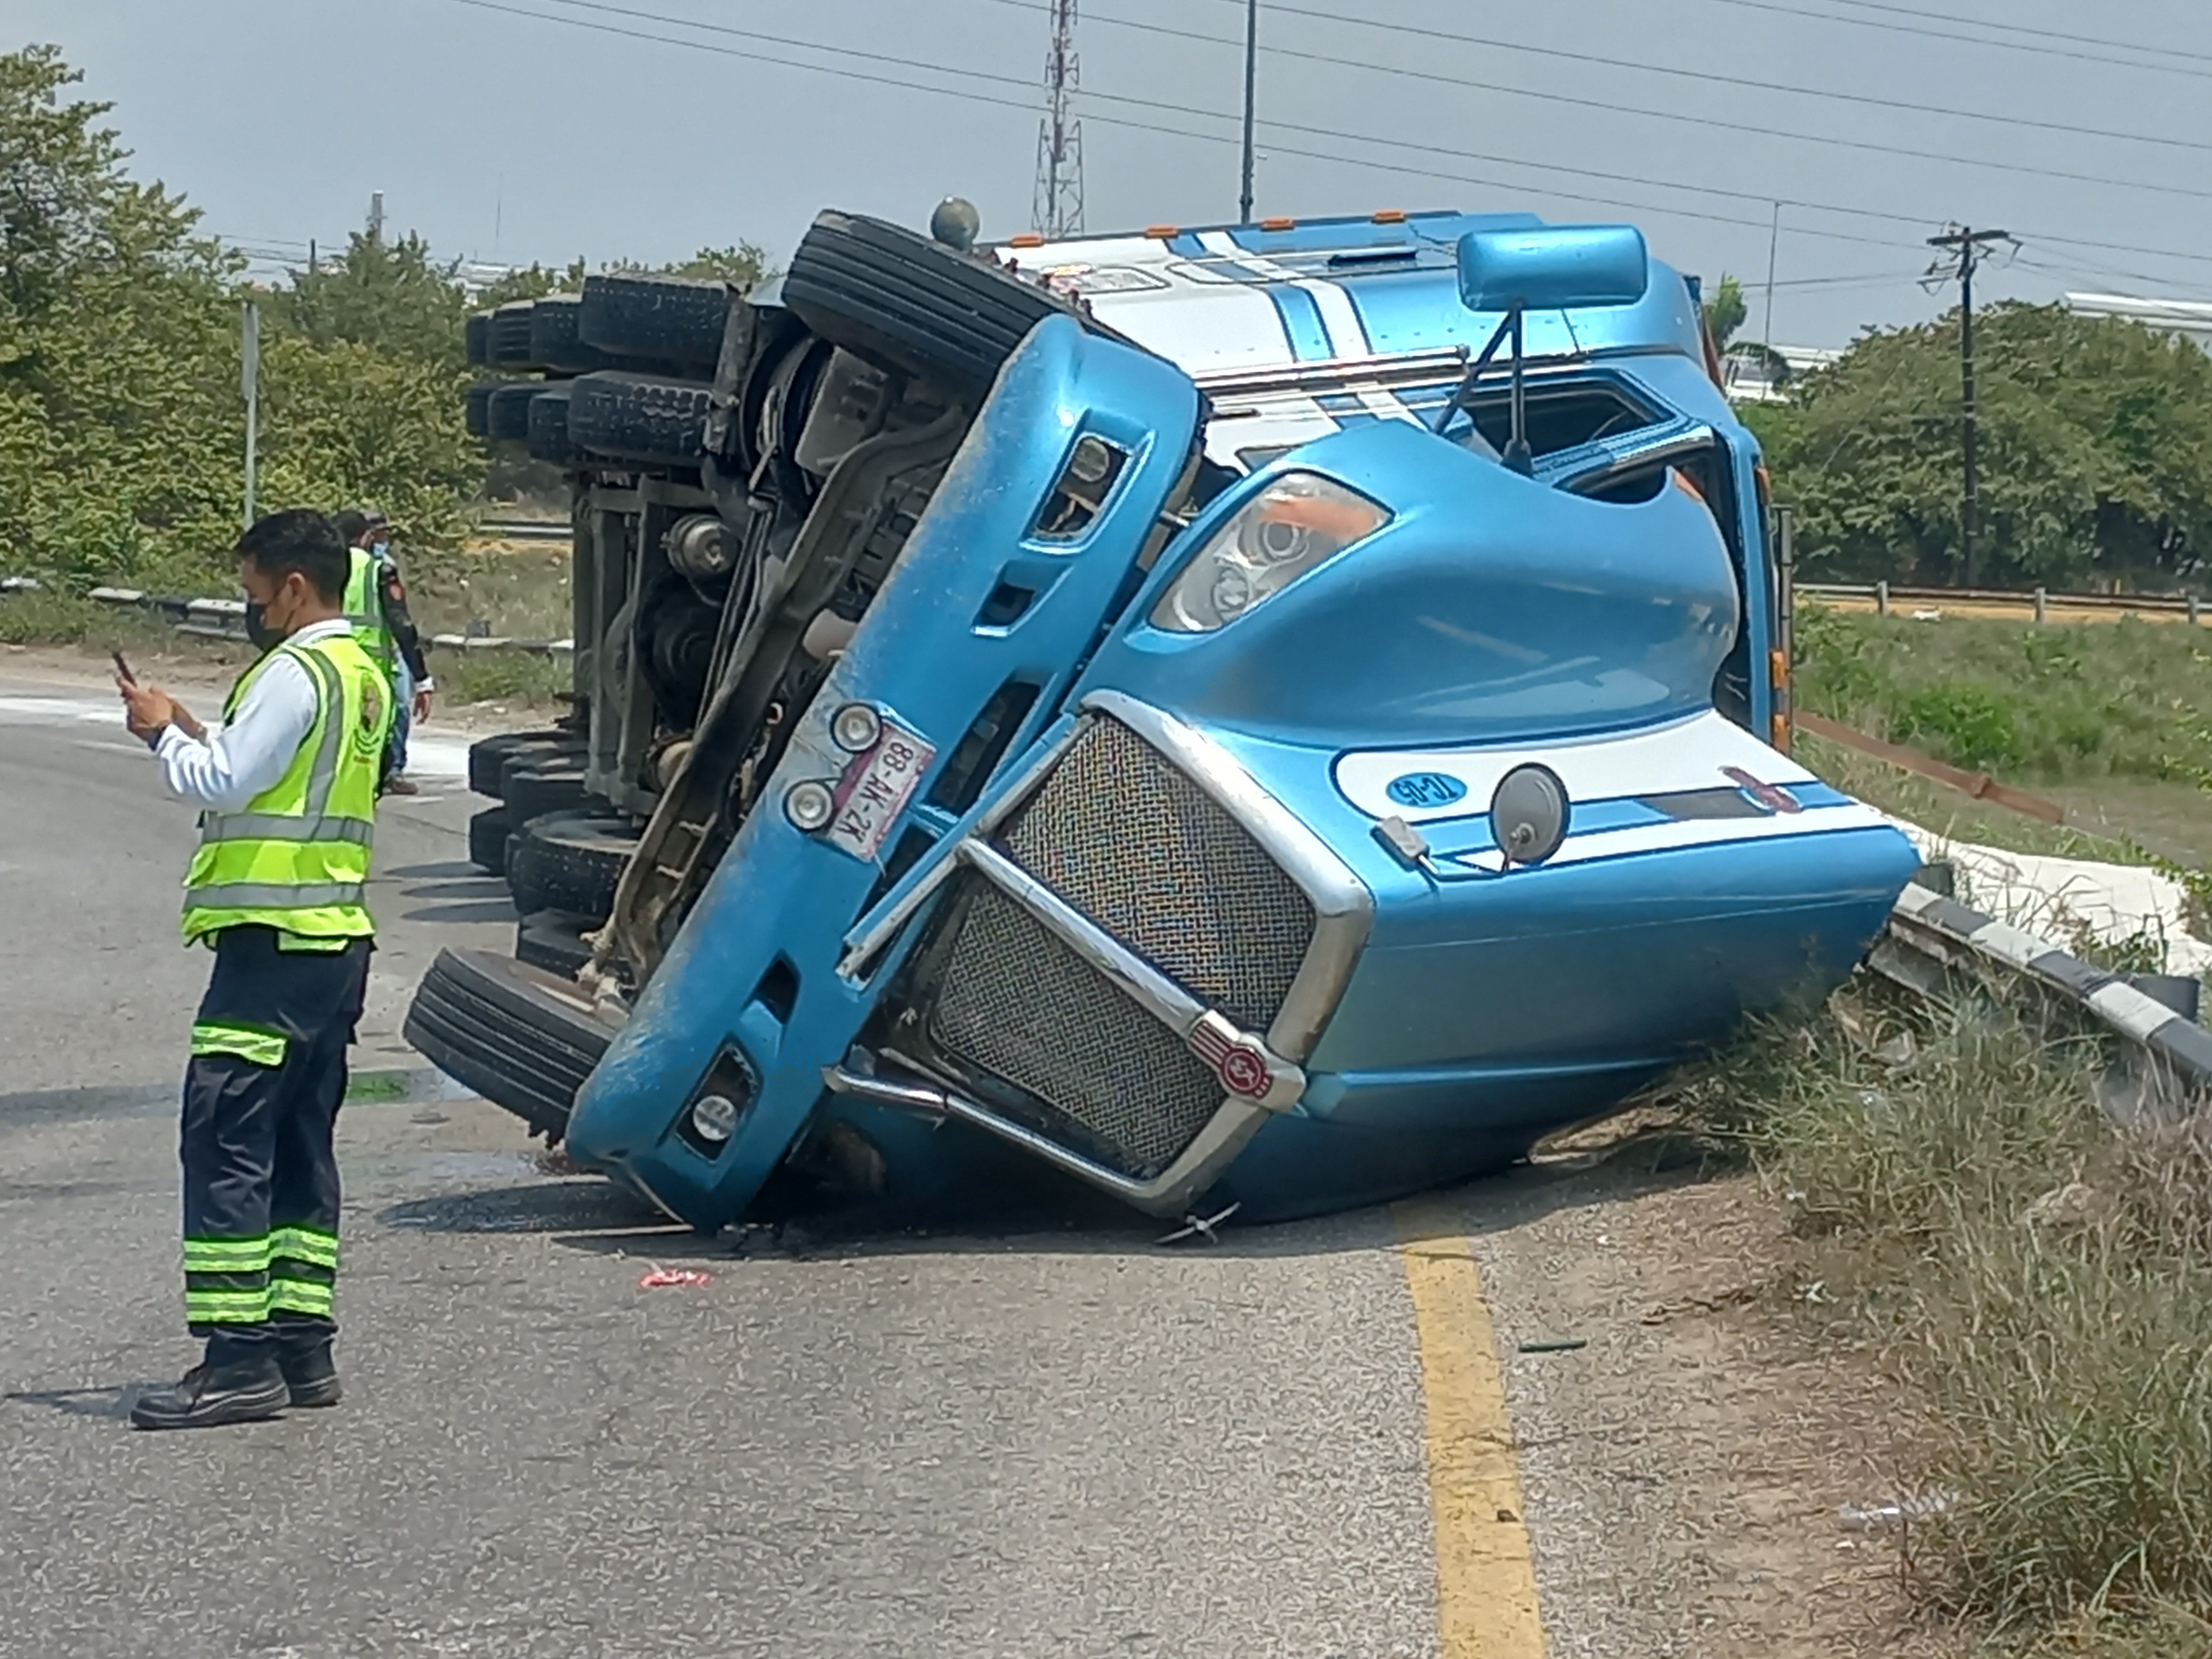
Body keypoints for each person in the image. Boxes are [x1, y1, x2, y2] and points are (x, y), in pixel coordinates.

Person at [118, 509, 393, 1430]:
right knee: (299, 1144)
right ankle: (300, 1346)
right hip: (332, 942)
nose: (254, 609)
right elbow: (282, 775)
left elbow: (223, 784)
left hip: (271, 945)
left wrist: (165, 734)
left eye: (254, 591)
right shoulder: (363, 673)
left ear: (295, 586)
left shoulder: (293, 669)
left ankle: (237, 1361)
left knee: (227, 1136)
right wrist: (203, 729)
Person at [332, 507, 433, 796]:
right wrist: (422, 678)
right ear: (366, 537)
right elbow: (401, 623)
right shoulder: (378, 570)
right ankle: (383, 776)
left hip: (327, 664)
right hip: (372, 669)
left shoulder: (319, 567)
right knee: (374, 736)